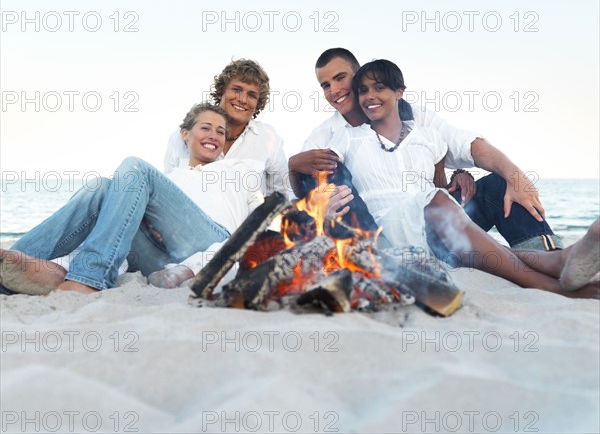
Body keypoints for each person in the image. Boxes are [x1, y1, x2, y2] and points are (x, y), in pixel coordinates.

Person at [326, 59, 599, 298]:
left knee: (473, 199)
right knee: (439, 206)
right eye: (363, 90)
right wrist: (295, 169)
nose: (369, 96)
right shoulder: (348, 136)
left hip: (432, 229)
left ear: (399, 92)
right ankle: (551, 282)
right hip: (389, 229)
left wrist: (460, 179)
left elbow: (439, 185)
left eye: (379, 87)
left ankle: (560, 259)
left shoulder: (428, 136)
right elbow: (319, 169)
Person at [289, 48, 563, 251]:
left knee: (499, 185)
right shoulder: (327, 138)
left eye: (340, 78)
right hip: (388, 234)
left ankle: (546, 255)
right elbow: (306, 197)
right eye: (326, 85)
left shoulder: (415, 118)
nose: (335, 90)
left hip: (442, 219)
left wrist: (517, 177)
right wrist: (297, 172)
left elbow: (467, 144)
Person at [0, 104, 263, 295]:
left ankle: (90, 276)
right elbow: (117, 229)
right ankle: (16, 258)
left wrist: (197, 265)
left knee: (133, 167)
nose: (214, 136)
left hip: (208, 241)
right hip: (157, 260)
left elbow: (258, 230)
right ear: (185, 134)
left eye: (220, 132)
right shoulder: (169, 178)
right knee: (101, 187)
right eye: (206, 127)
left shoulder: (239, 170)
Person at [164, 59, 289, 197]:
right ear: (221, 92)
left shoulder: (268, 139)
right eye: (237, 90)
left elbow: (280, 195)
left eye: (252, 95)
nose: (242, 99)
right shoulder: (183, 135)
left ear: (258, 104)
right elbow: (169, 191)